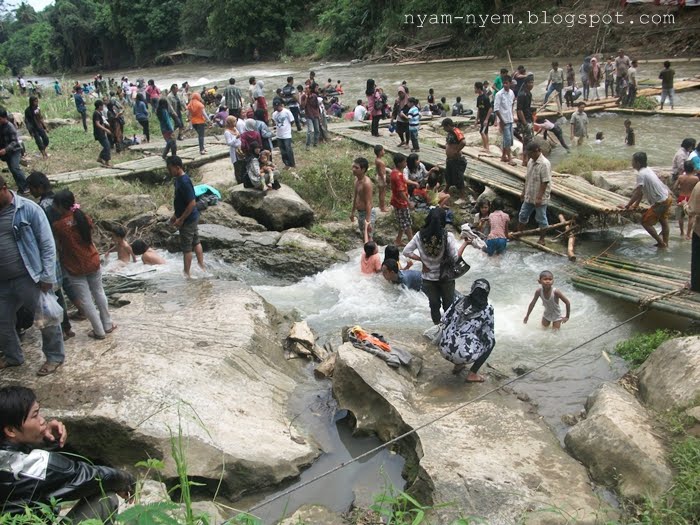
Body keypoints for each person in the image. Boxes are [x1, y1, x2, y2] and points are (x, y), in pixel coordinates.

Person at [0, 385, 135, 520]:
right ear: (11, 431)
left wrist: (49, 440)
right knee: (105, 499)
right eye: (35, 416)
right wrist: (127, 480)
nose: (42, 420)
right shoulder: (31, 465)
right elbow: (90, 477)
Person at [0, 176, 65, 374]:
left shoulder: (28, 209)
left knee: (47, 318)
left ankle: (54, 357)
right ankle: (13, 356)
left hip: (29, 277)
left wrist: (47, 276)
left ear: (3, 189)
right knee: (2, 321)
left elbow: (47, 244)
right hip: (2, 281)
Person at [51, 190, 116, 340]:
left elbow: (59, 246)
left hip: (75, 266)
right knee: (99, 292)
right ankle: (107, 324)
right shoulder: (83, 217)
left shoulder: (59, 226)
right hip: (92, 260)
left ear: (60, 205)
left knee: (86, 300)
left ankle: (98, 331)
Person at [26, 171, 75, 340]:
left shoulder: (42, 207)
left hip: (51, 253)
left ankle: (62, 327)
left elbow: (43, 235)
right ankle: (68, 324)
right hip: (63, 250)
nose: (30, 191)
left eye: (31, 188)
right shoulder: (56, 200)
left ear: (39, 187)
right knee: (65, 286)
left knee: (54, 292)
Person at [403, 208, 467, 324]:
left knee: (434, 305)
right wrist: (465, 244)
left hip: (428, 278)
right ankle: (448, 329)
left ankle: (437, 326)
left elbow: (406, 251)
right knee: (448, 305)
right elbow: (454, 258)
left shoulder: (419, 236)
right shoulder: (448, 236)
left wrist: (422, 260)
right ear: (443, 221)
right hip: (446, 277)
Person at [438, 279, 495, 382]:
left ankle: (458, 365)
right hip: (463, 355)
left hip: (443, 349)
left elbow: (444, 319)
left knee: (457, 332)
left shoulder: (460, 300)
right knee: (491, 342)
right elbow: (488, 334)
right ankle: (472, 374)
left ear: (472, 289)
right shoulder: (487, 309)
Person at [620, 151, 672, 248]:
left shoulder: (641, 174)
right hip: (667, 197)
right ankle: (665, 243)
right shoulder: (647, 169)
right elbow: (642, 191)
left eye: (633, 161)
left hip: (661, 202)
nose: (631, 163)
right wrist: (635, 205)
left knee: (645, 222)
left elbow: (638, 192)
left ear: (638, 163)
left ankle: (661, 243)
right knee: (664, 221)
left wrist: (627, 205)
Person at [167, 156, 205, 277]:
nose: (169, 171)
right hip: (190, 217)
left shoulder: (184, 181)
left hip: (188, 219)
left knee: (186, 248)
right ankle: (201, 265)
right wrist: (175, 215)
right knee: (195, 241)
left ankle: (186, 273)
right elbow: (181, 201)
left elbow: (192, 202)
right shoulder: (178, 179)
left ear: (177, 167)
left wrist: (181, 219)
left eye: (170, 168)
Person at [518, 142, 551, 245]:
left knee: (541, 218)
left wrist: (539, 197)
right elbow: (527, 178)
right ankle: (519, 234)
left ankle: (542, 239)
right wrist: (523, 192)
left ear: (536, 151)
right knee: (523, 215)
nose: (529, 156)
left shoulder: (544, 164)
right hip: (529, 194)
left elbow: (545, 182)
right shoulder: (531, 162)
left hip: (540, 196)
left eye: (530, 154)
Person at [0, 109, 29, 194]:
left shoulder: (10, 127)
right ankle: (21, 188)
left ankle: (26, 186)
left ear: (3, 118)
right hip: (6, 153)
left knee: (15, 168)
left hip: (14, 151)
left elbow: (14, 142)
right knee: (12, 170)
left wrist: (5, 149)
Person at [350, 157, 375, 240]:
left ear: (363, 169)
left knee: (368, 236)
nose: (353, 169)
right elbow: (355, 197)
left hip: (367, 213)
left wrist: (368, 221)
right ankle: (368, 251)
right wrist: (352, 212)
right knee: (364, 235)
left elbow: (369, 203)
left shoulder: (366, 183)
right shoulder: (356, 180)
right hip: (360, 212)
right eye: (353, 167)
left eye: (356, 168)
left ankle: (372, 252)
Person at [390, 153, 413, 246]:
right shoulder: (398, 175)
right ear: (399, 163)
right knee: (407, 222)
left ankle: (398, 240)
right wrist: (409, 202)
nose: (406, 163)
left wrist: (414, 183)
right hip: (401, 202)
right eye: (404, 161)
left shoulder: (395, 172)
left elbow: (404, 181)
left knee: (402, 221)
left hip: (397, 201)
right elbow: (400, 191)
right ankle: (412, 241)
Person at [442, 118, 467, 200]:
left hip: (456, 159)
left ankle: (462, 197)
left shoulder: (456, 131)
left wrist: (457, 151)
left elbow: (463, 142)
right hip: (450, 159)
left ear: (448, 126)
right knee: (448, 174)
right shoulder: (450, 133)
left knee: (459, 177)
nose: (443, 129)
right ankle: (446, 190)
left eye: (444, 127)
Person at [673, 160, 699, 239]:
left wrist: (679, 191)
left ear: (684, 168)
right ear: (693, 168)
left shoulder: (681, 177)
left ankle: (681, 233)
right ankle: (688, 234)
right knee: (691, 217)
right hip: (690, 198)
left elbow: (674, 187)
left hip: (681, 197)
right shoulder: (695, 178)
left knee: (680, 216)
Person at [493, 76, 515, 164]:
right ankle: (510, 158)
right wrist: (501, 121)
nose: (505, 85)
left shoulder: (511, 93)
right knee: (508, 139)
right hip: (504, 120)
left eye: (507, 83)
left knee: (508, 139)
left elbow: (511, 105)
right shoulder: (499, 94)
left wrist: (512, 116)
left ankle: (503, 156)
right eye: (504, 83)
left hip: (510, 119)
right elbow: (496, 109)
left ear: (510, 83)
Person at [516, 75, 535, 166]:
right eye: (530, 83)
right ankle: (525, 160)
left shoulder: (529, 94)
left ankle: (527, 160)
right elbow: (519, 110)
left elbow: (527, 108)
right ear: (526, 84)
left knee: (528, 141)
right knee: (528, 141)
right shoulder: (522, 95)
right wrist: (524, 123)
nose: (531, 84)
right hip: (525, 121)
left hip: (529, 119)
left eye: (532, 82)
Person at [272, 100, 295, 169]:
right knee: (282, 151)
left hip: (286, 134)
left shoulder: (287, 112)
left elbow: (292, 121)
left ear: (281, 105)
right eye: (276, 106)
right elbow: (273, 122)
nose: (277, 107)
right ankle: (286, 164)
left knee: (288, 149)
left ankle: (292, 163)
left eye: (278, 106)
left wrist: (288, 127)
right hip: (279, 135)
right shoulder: (274, 114)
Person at [688, 178, 700, 291]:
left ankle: (697, 286)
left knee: (697, 260)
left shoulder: (699, 186)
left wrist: (684, 206)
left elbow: (692, 210)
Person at [92, 100, 112, 167]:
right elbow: (97, 124)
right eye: (102, 105)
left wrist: (106, 125)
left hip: (101, 132)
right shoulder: (96, 113)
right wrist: (106, 129)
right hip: (99, 133)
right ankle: (106, 162)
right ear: (99, 106)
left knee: (107, 146)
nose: (103, 106)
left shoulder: (99, 112)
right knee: (107, 146)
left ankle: (100, 158)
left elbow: (101, 122)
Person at [223, 116, 243, 183]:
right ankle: (239, 181)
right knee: (237, 167)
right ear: (230, 123)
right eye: (234, 121)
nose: (235, 123)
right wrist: (236, 138)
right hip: (235, 151)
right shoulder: (227, 132)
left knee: (242, 165)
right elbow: (229, 143)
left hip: (240, 149)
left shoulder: (235, 129)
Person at [474, 82, 492, 151]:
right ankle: (486, 147)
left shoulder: (485, 98)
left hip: (485, 118)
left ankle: (486, 148)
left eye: (475, 88)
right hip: (481, 117)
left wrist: (487, 119)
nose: (474, 90)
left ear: (479, 89)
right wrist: (476, 119)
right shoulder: (478, 98)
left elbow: (490, 109)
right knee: (485, 132)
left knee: (482, 132)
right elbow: (479, 109)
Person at [302, 83, 320, 148]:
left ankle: (315, 143)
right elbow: (303, 106)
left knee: (317, 130)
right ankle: (308, 145)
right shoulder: (303, 97)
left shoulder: (314, 96)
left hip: (315, 115)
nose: (305, 90)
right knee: (310, 130)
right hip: (308, 115)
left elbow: (317, 106)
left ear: (310, 89)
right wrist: (306, 98)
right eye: (305, 89)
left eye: (307, 89)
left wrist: (318, 115)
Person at [374, 144, 388, 212]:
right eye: (383, 150)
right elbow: (380, 172)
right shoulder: (380, 162)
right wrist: (384, 181)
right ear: (380, 152)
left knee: (381, 192)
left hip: (380, 177)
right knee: (382, 193)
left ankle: (381, 205)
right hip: (381, 177)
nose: (384, 152)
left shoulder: (377, 160)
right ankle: (382, 207)